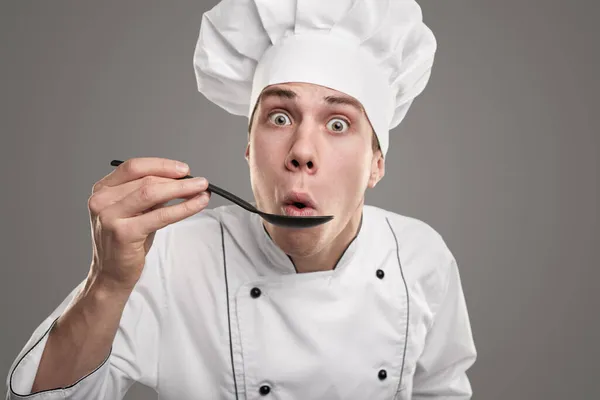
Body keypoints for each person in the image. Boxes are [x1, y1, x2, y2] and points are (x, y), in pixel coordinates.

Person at [5, 0, 477, 399]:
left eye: (338, 124)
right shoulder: (170, 257)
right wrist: (106, 284)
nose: (302, 152)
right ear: (250, 147)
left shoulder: (421, 257)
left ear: (376, 163)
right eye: (278, 117)